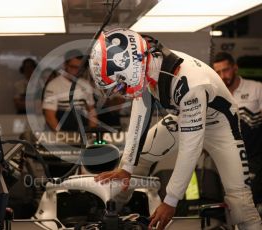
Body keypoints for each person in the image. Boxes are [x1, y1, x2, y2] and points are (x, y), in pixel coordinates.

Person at [89, 28, 262, 230]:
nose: (120, 92)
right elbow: (140, 113)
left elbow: (191, 149)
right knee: (135, 163)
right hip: (185, 117)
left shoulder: (189, 83)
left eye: (119, 84)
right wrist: (125, 167)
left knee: (240, 203)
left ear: (129, 67)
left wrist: (171, 200)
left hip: (221, 128)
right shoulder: (147, 63)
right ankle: (110, 216)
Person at [213, 52, 262, 211]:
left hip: (254, 157)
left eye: (226, 70)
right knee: (231, 204)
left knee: (250, 202)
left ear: (235, 68)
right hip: (228, 159)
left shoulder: (256, 88)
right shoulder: (216, 94)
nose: (222, 76)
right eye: (218, 72)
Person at [42, 49, 98, 131]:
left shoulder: (86, 84)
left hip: (82, 130)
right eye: (73, 67)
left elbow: (91, 111)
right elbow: (49, 115)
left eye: (80, 68)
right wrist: (62, 136)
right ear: (65, 65)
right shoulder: (53, 85)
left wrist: (92, 132)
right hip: (61, 131)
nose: (77, 71)